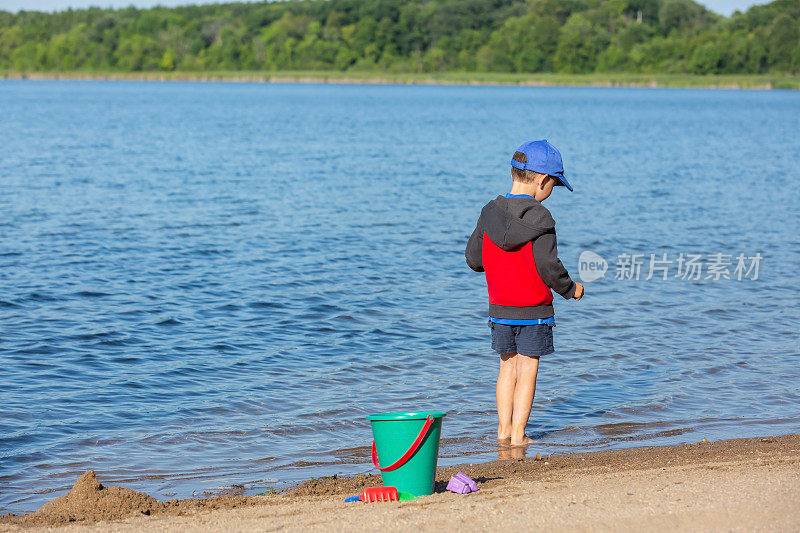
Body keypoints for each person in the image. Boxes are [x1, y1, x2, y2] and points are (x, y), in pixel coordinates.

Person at [465, 139, 584, 446]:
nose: (551, 193)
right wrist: (570, 289)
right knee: (528, 371)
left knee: (506, 370)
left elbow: (474, 259)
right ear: (543, 181)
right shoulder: (541, 219)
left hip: (500, 308)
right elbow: (548, 265)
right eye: (554, 186)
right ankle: (518, 434)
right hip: (534, 312)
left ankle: (502, 430)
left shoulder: (489, 212)